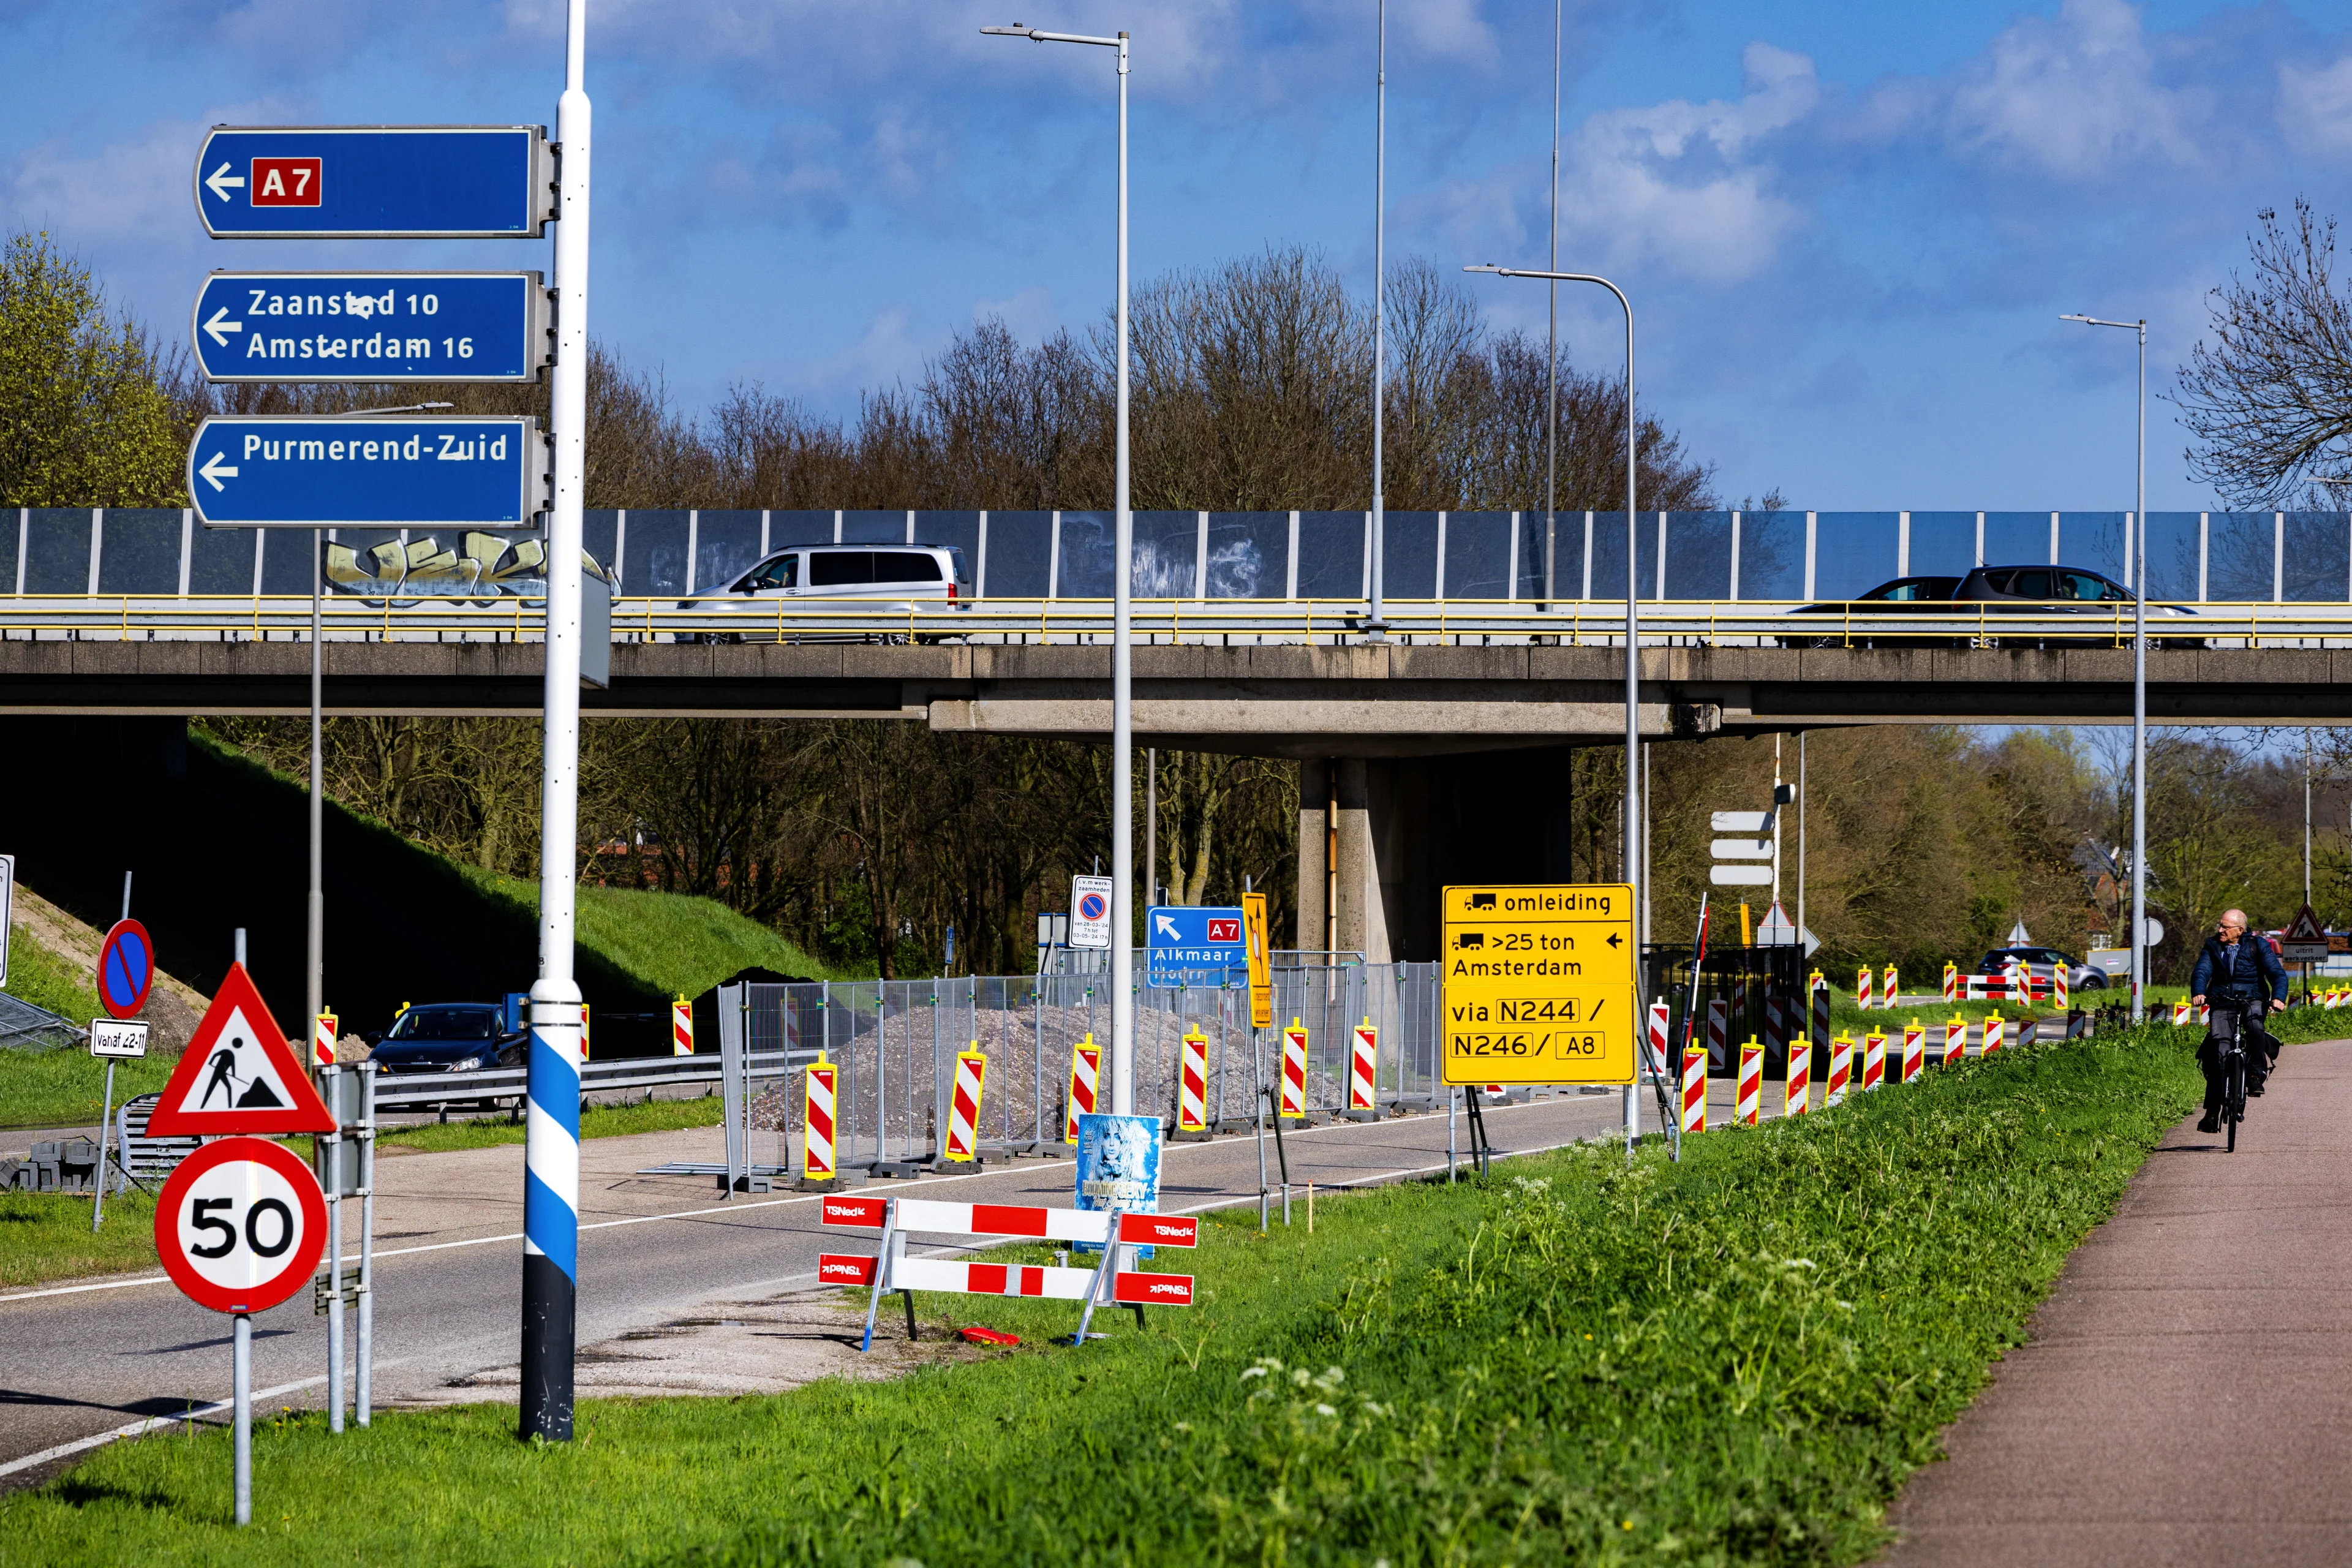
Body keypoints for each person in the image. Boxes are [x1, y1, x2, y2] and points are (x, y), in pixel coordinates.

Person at [2189, 909, 2288, 1133]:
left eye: (2225, 927)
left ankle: (2255, 1074)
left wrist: (2278, 998)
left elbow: (2277, 974)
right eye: (2220, 925)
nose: (2220, 930)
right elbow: (2201, 971)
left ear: (2240, 930)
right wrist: (2199, 991)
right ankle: (2212, 1113)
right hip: (2221, 1001)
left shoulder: (2258, 945)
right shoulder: (2212, 945)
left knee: (2255, 1026)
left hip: (2252, 998)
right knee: (2218, 1053)